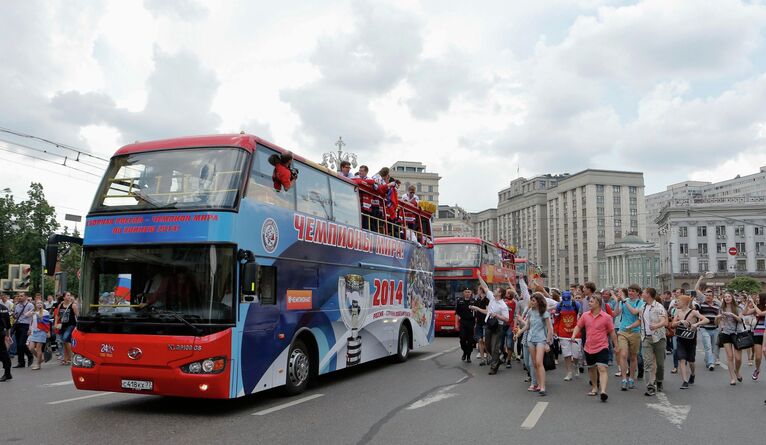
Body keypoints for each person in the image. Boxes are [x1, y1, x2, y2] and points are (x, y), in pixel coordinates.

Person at [571, 294, 620, 402]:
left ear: (598, 303)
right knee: (592, 369)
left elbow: (612, 332)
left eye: (592, 302)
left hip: (602, 346)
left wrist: (616, 346)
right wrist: (574, 335)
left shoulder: (607, 317)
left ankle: (603, 391)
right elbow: (578, 326)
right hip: (589, 347)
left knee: (602, 368)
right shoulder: (585, 315)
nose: (589, 303)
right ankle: (594, 387)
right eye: (589, 302)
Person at [469, 276, 509, 376]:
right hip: (488, 325)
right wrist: (479, 276)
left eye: (496, 290)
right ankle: (498, 358)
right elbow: (485, 287)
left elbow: (506, 319)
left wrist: (497, 315)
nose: (494, 291)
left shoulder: (503, 305)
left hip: (497, 327)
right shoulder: (491, 297)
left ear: (500, 294)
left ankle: (493, 367)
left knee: (494, 347)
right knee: (488, 346)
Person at [516, 292, 553, 396]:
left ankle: (543, 387)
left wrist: (547, 343)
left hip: (541, 340)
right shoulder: (531, 312)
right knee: (534, 364)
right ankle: (538, 384)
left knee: (539, 362)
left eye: (533, 300)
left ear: (538, 301)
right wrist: (519, 332)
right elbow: (527, 326)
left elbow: (549, 329)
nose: (531, 302)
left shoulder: (544, 312)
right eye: (531, 300)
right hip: (530, 339)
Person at [671, 294, 709, 389]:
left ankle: (692, 374)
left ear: (684, 302)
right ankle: (685, 380)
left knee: (691, 361)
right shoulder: (677, 312)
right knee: (682, 359)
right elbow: (672, 325)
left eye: (678, 301)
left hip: (691, 339)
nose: (676, 302)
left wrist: (696, 324)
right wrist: (680, 322)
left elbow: (706, 320)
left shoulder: (693, 312)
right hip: (680, 338)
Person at [614, 284, 645, 391]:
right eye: (629, 291)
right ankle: (624, 379)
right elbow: (616, 314)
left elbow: (634, 312)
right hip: (623, 331)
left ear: (637, 293)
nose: (630, 293)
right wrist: (618, 302)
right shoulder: (624, 300)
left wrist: (624, 301)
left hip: (635, 332)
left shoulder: (641, 302)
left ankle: (631, 378)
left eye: (633, 291)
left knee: (633, 357)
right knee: (623, 355)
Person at [640, 287, 667, 396]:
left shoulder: (659, 306)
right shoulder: (642, 307)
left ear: (648, 295)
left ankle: (659, 381)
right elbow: (639, 319)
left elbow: (664, 321)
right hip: (646, 338)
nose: (642, 294)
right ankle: (650, 386)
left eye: (643, 293)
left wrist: (656, 325)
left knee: (660, 363)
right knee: (647, 363)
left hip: (658, 338)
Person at [718, 292, 745, 385]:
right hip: (726, 334)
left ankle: (737, 371)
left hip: (737, 333)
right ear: (723, 299)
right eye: (725, 297)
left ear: (732, 298)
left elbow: (741, 320)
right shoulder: (721, 309)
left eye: (729, 296)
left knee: (738, 359)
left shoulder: (738, 308)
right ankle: (732, 378)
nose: (727, 298)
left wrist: (732, 314)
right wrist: (721, 324)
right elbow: (720, 321)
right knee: (730, 357)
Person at [696, 277, 721, 372]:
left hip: (714, 328)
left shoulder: (717, 304)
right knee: (708, 346)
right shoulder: (702, 303)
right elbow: (696, 289)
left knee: (714, 347)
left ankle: (708, 359)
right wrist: (700, 279)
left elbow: (720, 314)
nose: (708, 297)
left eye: (710, 295)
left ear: (713, 296)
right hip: (704, 328)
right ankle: (711, 363)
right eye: (706, 295)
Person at [554, 291, 581, 381]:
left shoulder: (576, 305)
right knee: (567, 354)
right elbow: (557, 319)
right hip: (563, 333)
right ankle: (569, 372)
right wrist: (555, 331)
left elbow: (581, 318)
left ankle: (576, 365)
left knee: (576, 354)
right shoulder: (559, 305)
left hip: (576, 333)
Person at [743, 293, 765, 380]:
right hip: (757, 333)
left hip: (765, 334)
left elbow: (761, 313)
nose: (757, 298)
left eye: (759, 297)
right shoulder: (757, 307)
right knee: (758, 357)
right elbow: (745, 313)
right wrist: (747, 303)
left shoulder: (758, 308)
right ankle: (757, 369)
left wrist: (754, 304)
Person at [12, 294, 34, 368]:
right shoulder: (17, 305)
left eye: (21, 296)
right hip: (18, 325)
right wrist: (13, 315)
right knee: (19, 344)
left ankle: (30, 355)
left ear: (26, 297)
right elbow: (15, 316)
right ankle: (21, 362)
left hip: (26, 325)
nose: (19, 297)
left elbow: (32, 317)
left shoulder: (30, 305)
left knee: (21, 344)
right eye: (18, 296)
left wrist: (30, 328)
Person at [27, 301, 50, 370]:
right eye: (37, 303)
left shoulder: (45, 312)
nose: (39, 304)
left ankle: (38, 364)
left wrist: (48, 332)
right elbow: (27, 315)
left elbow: (45, 322)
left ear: (42, 304)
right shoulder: (34, 312)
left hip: (42, 331)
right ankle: (40, 358)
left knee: (38, 348)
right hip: (34, 332)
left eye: (40, 303)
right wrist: (29, 329)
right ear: (35, 305)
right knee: (30, 348)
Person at [57, 292, 78, 365]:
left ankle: (72, 356)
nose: (69, 297)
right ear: (64, 297)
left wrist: (78, 326)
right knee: (64, 341)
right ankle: (66, 359)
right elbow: (58, 315)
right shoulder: (60, 305)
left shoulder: (73, 305)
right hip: (63, 325)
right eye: (67, 295)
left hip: (71, 325)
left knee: (65, 339)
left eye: (70, 295)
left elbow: (77, 315)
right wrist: (56, 323)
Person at [455, 287, 476, 363]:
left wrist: (475, 324)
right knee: (462, 339)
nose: (467, 293)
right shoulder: (459, 301)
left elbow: (476, 314)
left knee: (470, 340)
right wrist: (456, 324)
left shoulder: (474, 301)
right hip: (463, 322)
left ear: (471, 293)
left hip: (471, 323)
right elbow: (457, 313)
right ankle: (465, 351)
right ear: (463, 293)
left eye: (469, 292)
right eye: (466, 292)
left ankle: (468, 356)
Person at [472, 286, 490, 365]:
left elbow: (487, 311)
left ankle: (489, 355)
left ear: (481, 290)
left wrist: (477, 308)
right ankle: (482, 359)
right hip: (478, 323)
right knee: (480, 340)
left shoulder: (487, 300)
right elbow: (475, 311)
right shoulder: (477, 300)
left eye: (478, 290)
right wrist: (473, 308)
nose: (477, 291)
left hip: (485, 323)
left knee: (485, 341)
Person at [0, 296, 11, 381]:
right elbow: (7, 324)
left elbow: (7, 324)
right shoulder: (4, 308)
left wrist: (7, 336)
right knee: (3, 353)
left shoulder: (3, 308)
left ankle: (7, 373)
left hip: (1, 333)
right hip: (2, 333)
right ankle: (7, 373)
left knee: (3, 353)